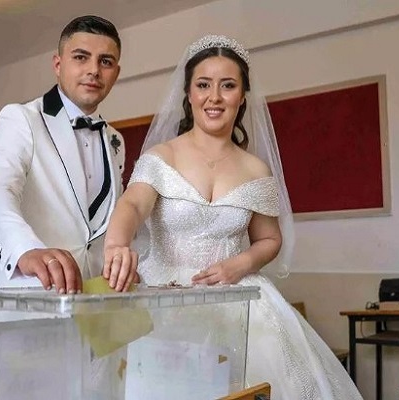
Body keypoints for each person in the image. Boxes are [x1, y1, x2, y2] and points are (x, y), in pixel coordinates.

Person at [103, 35, 363, 399]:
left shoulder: (255, 170)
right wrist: (117, 244)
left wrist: (239, 265)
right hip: (165, 297)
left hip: (239, 297)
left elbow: (269, 239)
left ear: (242, 96)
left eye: (227, 86)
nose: (214, 97)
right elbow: (132, 205)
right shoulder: (162, 157)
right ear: (189, 93)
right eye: (203, 85)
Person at [0, 15, 127, 294]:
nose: (94, 70)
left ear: (116, 73)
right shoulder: (20, 118)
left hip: (89, 300)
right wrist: (25, 249)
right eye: (81, 57)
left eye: (105, 62)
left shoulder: (115, 139)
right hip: (24, 294)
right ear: (58, 65)